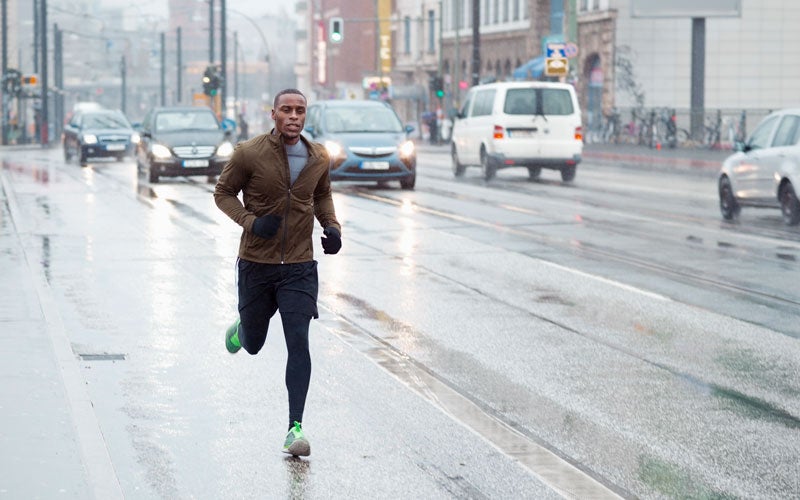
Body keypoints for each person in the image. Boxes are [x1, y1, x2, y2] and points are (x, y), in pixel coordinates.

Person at [213, 88, 342, 457]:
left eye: (300, 110)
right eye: (286, 110)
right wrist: (251, 223)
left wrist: (332, 228)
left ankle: (294, 428)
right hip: (257, 264)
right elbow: (222, 194)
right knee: (254, 344)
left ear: (306, 115)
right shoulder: (248, 153)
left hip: (299, 268)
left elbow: (322, 195)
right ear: (273, 114)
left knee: (298, 341)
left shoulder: (318, 155)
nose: (293, 116)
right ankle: (240, 330)